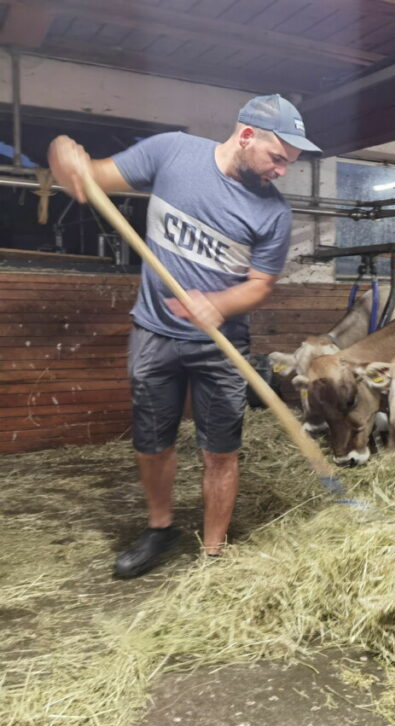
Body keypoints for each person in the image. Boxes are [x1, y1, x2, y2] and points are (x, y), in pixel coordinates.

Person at [47, 94, 320, 577]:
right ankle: (160, 529)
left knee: (220, 449)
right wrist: (63, 156)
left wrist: (217, 304)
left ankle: (213, 553)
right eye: (278, 158)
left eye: (289, 164)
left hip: (222, 345)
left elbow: (260, 285)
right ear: (247, 134)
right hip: (154, 333)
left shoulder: (273, 214)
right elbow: (92, 176)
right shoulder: (172, 152)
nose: (282, 171)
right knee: (153, 443)